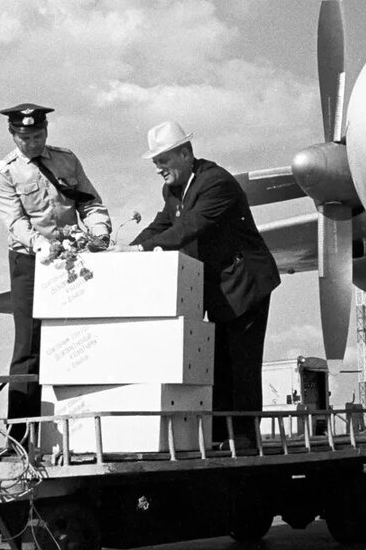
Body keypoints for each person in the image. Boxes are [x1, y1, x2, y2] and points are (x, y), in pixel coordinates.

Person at [118, 120, 280, 448]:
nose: (158, 168)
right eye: (155, 162)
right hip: (219, 290)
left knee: (241, 364)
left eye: (163, 160)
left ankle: (245, 438)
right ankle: (220, 435)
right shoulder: (174, 190)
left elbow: (189, 228)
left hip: (245, 286)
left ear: (186, 153)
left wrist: (139, 251)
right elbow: (161, 225)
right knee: (217, 365)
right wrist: (123, 251)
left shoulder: (216, 182)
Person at [0, 103, 111, 443]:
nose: (32, 143)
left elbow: (89, 201)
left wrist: (99, 231)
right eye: (25, 137)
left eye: (38, 136)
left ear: (46, 131)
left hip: (72, 257)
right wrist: (40, 244)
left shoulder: (66, 160)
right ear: (13, 135)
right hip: (30, 261)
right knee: (29, 346)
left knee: (80, 337)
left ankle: (81, 432)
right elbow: (15, 221)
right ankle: (19, 437)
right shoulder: (3, 172)